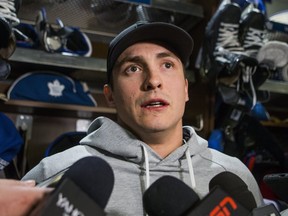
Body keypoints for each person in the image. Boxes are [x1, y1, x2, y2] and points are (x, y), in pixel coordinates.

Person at [22, 21, 264, 215]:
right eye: (133, 69)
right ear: (111, 95)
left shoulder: (234, 177)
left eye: (167, 65)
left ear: (186, 89)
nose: (153, 80)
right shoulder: (55, 173)